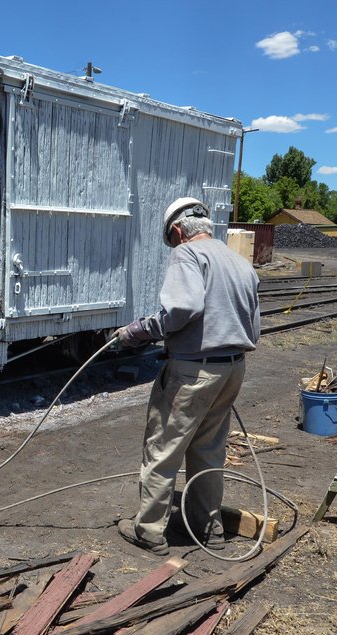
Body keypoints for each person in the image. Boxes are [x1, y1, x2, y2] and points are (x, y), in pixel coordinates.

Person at [111, 197, 260, 555]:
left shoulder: (187, 255)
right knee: (208, 450)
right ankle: (208, 529)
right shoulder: (240, 263)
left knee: (163, 448)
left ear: (177, 231)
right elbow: (252, 325)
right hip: (232, 368)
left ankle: (148, 530)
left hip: (193, 371)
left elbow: (183, 308)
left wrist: (138, 330)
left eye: (172, 239)